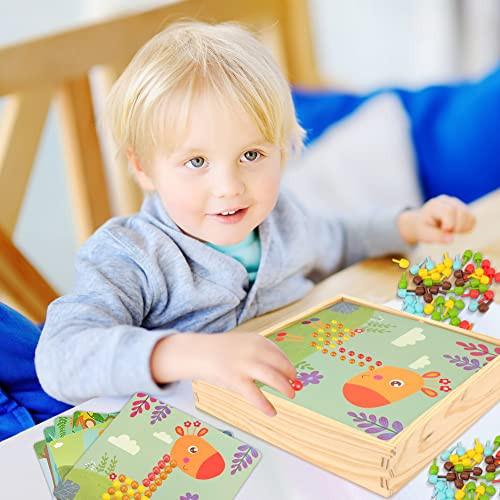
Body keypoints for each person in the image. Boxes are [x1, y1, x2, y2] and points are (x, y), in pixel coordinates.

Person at [35, 22, 476, 417]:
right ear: (143, 168)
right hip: (197, 439)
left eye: (251, 155)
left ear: (282, 150)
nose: (229, 186)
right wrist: (188, 353)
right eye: (196, 161)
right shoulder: (131, 255)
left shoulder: (284, 219)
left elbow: (340, 239)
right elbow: (61, 356)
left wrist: (405, 225)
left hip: (306, 410)